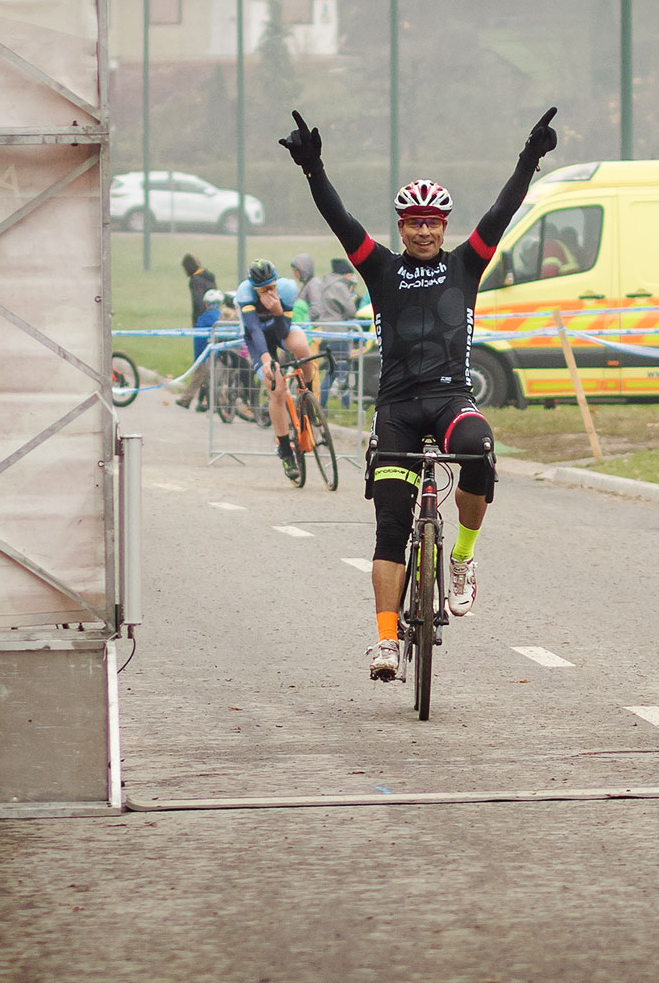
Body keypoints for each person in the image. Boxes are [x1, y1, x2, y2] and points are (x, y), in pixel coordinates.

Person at [279, 104, 558, 682]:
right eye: (414, 221)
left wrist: (529, 160)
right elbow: (341, 221)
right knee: (390, 524)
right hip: (398, 409)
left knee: (480, 451)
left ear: (445, 227)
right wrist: (314, 173)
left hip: (452, 399)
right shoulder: (380, 269)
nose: (425, 229)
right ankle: (385, 643)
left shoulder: (467, 265)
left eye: (434, 221)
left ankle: (461, 558)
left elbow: (502, 212)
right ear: (401, 228)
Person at [234, 258, 316, 481]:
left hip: (279, 329)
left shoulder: (287, 289)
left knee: (302, 348)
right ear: (253, 288)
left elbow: (283, 332)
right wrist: (266, 358)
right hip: (257, 340)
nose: (268, 292)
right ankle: (285, 451)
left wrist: (278, 311)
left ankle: (307, 395)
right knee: (277, 389)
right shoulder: (245, 293)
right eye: (263, 289)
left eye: (272, 287)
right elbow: (254, 330)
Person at [313, 258, 360, 408]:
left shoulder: (325, 284)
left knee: (330, 370)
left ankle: (322, 403)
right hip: (339, 333)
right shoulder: (340, 287)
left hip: (326, 331)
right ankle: (345, 405)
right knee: (341, 371)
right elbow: (351, 311)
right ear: (345, 274)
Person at [176, 287, 224, 411]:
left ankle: (191, 400)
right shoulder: (216, 317)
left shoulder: (204, 317)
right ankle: (190, 399)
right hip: (207, 353)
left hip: (202, 352)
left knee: (202, 377)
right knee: (203, 377)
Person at [181, 254, 216, 326]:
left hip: (202, 319)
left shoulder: (195, 280)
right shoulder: (208, 277)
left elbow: (198, 301)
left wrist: (197, 320)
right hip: (214, 314)